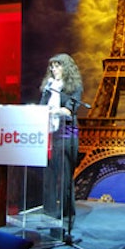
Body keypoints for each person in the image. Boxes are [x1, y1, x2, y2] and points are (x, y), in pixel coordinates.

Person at [39, 53, 83, 225]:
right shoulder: (49, 87)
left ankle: (64, 213)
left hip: (66, 133)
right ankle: (49, 210)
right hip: (49, 133)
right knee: (49, 173)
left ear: (66, 68)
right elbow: (41, 107)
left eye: (57, 66)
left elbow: (70, 110)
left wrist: (54, 111)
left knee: (63, 174)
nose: (53, 69)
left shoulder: (74, 87)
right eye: (52, 66)